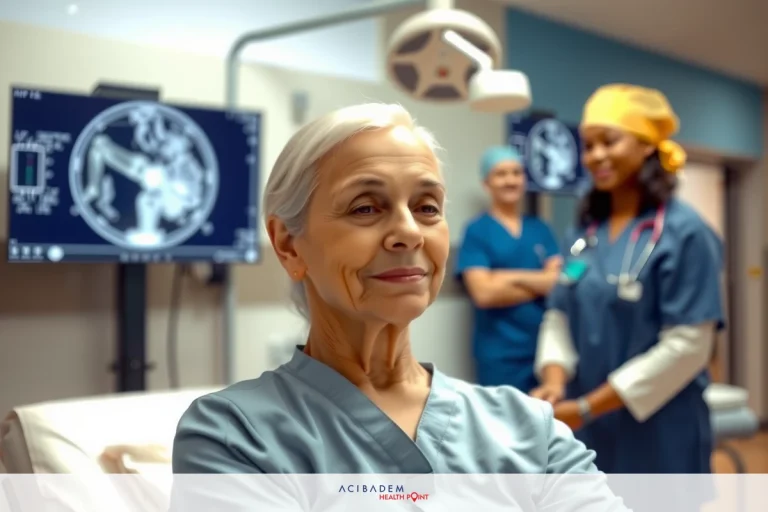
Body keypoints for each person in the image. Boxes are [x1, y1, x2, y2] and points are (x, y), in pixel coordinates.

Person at [170, 103, 626, 510]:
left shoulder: (528, 429)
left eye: (428, 207)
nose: (409, 232)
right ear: (289, 246)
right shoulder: (235, 437)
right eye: (365, 208)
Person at [531, 83, 725, 477]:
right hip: (588, 425)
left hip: (660, 430)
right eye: (588, 145)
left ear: (647, 145)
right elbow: (559, 316)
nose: (596, 156)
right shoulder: (584, 234)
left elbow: (689, 346)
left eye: (609, 141)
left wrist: (588, 406)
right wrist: (554, 383)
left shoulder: (685, 233)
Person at [456, 146, 562, 393]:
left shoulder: (540, 229)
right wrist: (540, 283)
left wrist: (503, 277)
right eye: (501, 174)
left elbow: (558, 284)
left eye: (516, 173)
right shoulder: (477, 231)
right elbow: (484, 294)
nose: (510, 180)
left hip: (545, 351)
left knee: (544, 422)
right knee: (503, 426)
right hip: (499, 354)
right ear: (487, 183)